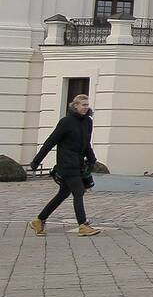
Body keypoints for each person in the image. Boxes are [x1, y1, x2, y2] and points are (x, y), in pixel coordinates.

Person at [28, 94, 101, 237]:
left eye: (87, 105)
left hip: (78, 163)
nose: (86, 107)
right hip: (66, 164)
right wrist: (36, 161)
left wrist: (92, 159)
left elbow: (86, 143)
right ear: (75, 106)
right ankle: (83, 225)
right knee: (78, 191)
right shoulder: (66, 122)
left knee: (63, 194)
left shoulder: (88, 122)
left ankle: (39, 220)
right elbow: (51, 142)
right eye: (83, 105)